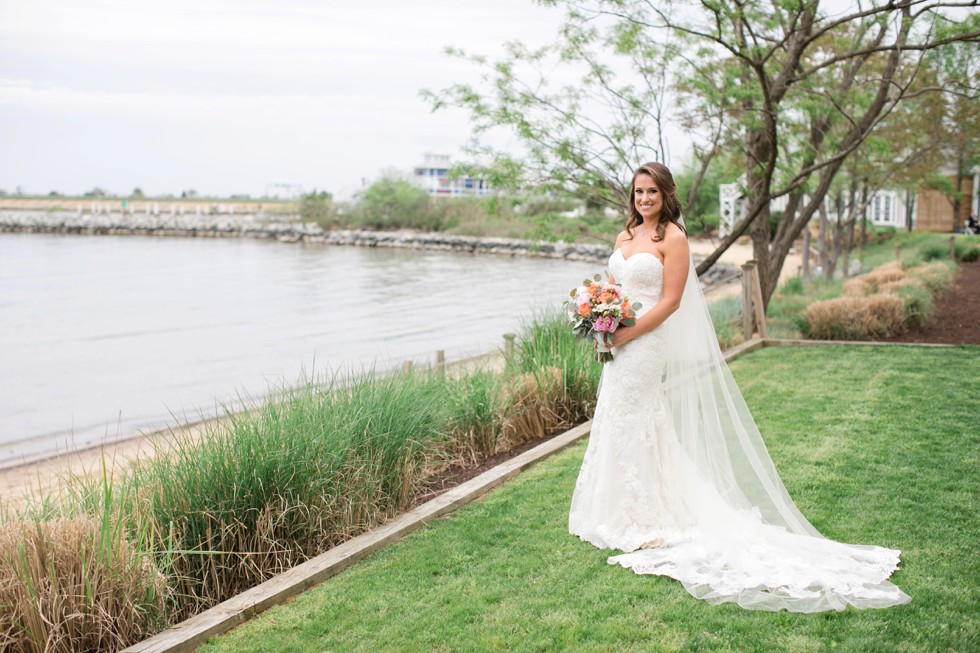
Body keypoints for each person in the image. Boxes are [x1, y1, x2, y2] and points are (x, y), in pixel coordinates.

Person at [568, 162, 910, 613]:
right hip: (618, 339)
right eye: (638, 192)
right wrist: (601, 323)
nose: (644, 199)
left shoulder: (673, 238)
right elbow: (612, 289)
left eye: (652, 192)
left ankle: (646, 515)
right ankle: (617, 509)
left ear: (665, 194)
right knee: (615, 414)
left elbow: (670, 301)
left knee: (638, 415)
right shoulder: (624, 237)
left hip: (647, 341)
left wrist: (628, 333)